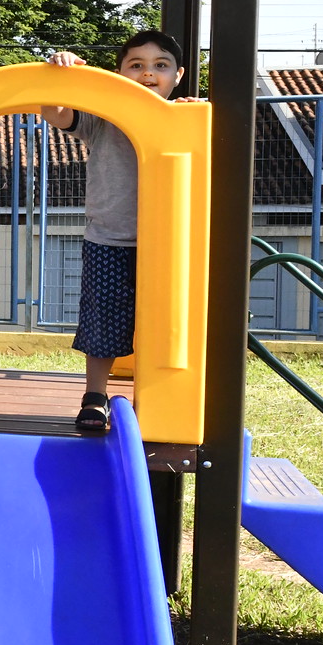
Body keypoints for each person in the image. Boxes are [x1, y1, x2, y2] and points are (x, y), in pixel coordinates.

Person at [43, 31, 188, 433]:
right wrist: (62, 75)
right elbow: (55, 113)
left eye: (160, 66)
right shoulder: (105, 119)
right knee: (103, 320)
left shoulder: (185, 115)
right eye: (136, 65)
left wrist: (196, 115)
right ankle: (95, 394)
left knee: (169, 323)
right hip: (110, 237)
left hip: (171, 244)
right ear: (118, 75)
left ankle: (165, 393)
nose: (147, 74)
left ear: (178, 75)